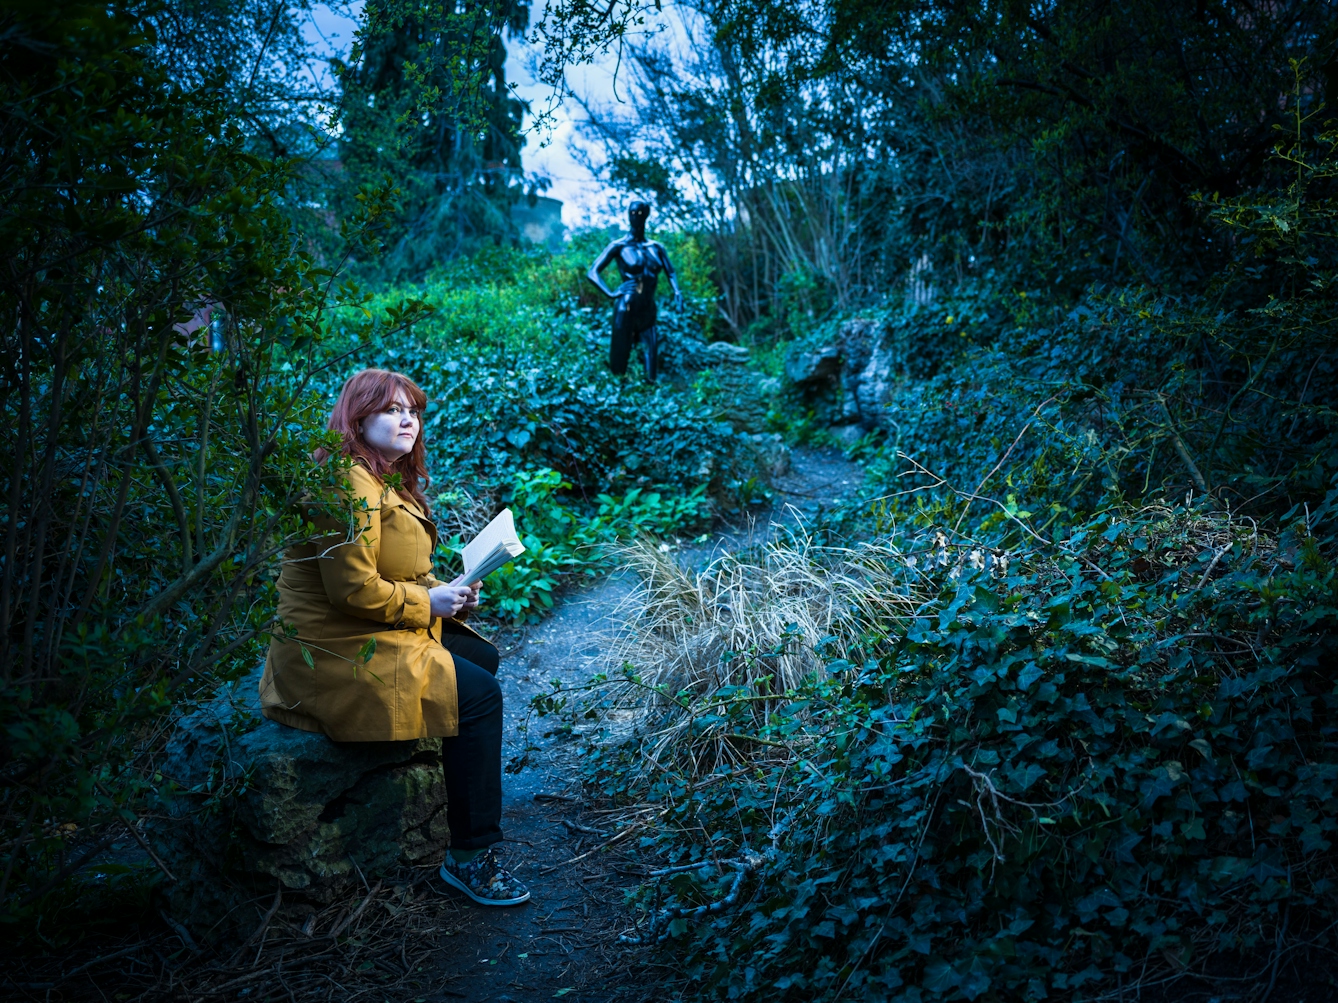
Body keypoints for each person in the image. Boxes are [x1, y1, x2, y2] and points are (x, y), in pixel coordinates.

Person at [259, 368, 529, 907]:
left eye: (413, 410)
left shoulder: (377, 475)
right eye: (392, 410)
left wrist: (446, 589)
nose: (408, 420)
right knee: (478, 695)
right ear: (358, 417)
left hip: (363, 626)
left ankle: (451, 779)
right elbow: (353, 590)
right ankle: (470, 858)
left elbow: (396, 568)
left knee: (478, 655)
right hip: (331, 646)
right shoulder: (346, 482)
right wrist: (427, 603)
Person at [586, 199, 684, 381]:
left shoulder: (656, 248)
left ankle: (651, 404)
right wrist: (610, 293)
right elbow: (592, 272)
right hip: (626, 308)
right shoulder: (619, 246)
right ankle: (615, 400)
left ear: (646, 215)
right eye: (632, 213)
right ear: (627, 214)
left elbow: (671, 271)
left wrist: (677, 291)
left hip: (648, 309)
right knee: (619, 362)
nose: (635, 217)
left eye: (639, 213)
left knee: (651, 366)